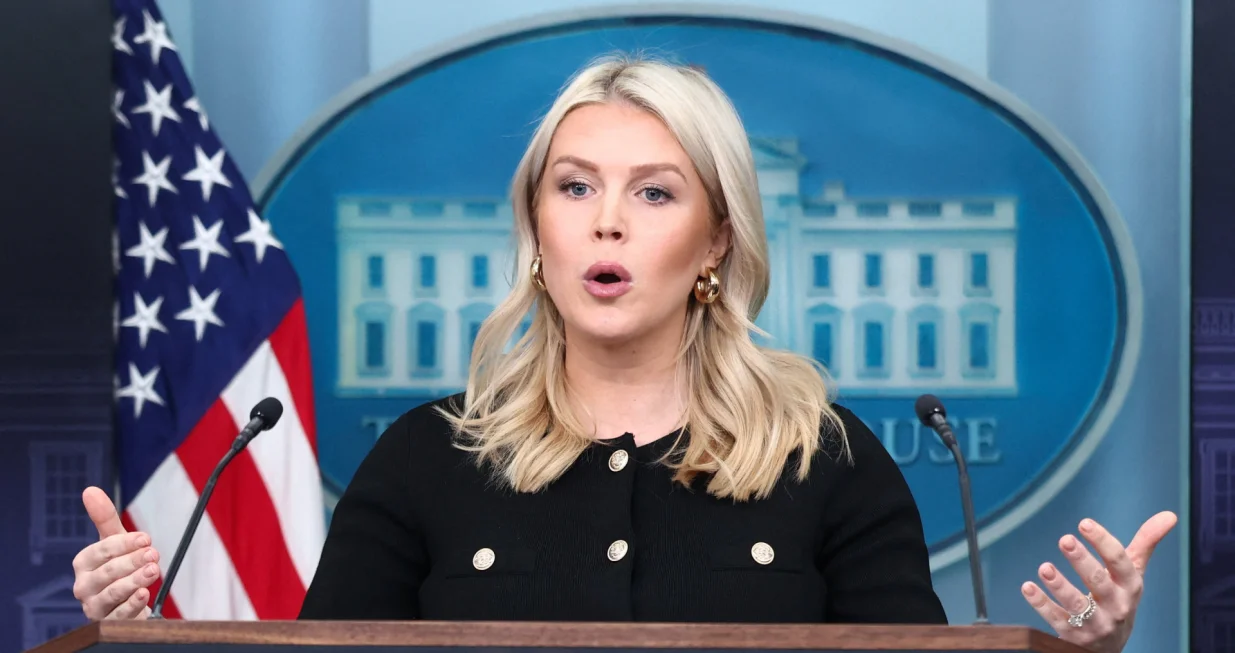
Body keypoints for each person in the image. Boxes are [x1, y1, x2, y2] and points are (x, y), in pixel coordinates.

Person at [71, 55, 1175, 651]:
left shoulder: (827, 460)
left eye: (653, 193)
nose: (605, 222)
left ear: (716, 239)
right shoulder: (424, 458)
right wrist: (130, 640)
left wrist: (1085, 651)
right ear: (536, 228)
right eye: (574, 187)